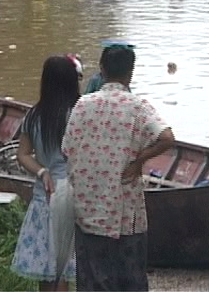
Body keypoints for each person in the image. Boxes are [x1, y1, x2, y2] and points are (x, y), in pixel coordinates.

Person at [62, 45, 174, 291]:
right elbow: (166, 137)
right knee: (130, 278)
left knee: (92, 278)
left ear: (101, 70)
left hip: (88, 208)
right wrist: (138, 161)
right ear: (130, 73)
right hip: (126, 212)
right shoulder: (138, 106)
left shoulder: (82, 105)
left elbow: (66, 149)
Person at [11, 56, 80, 290]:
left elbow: (22, 155)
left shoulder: (34, 115)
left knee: (46, 268)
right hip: (71, 197)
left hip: (43, 199)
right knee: (63, 271)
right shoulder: (77, 115)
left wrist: (42, 171)